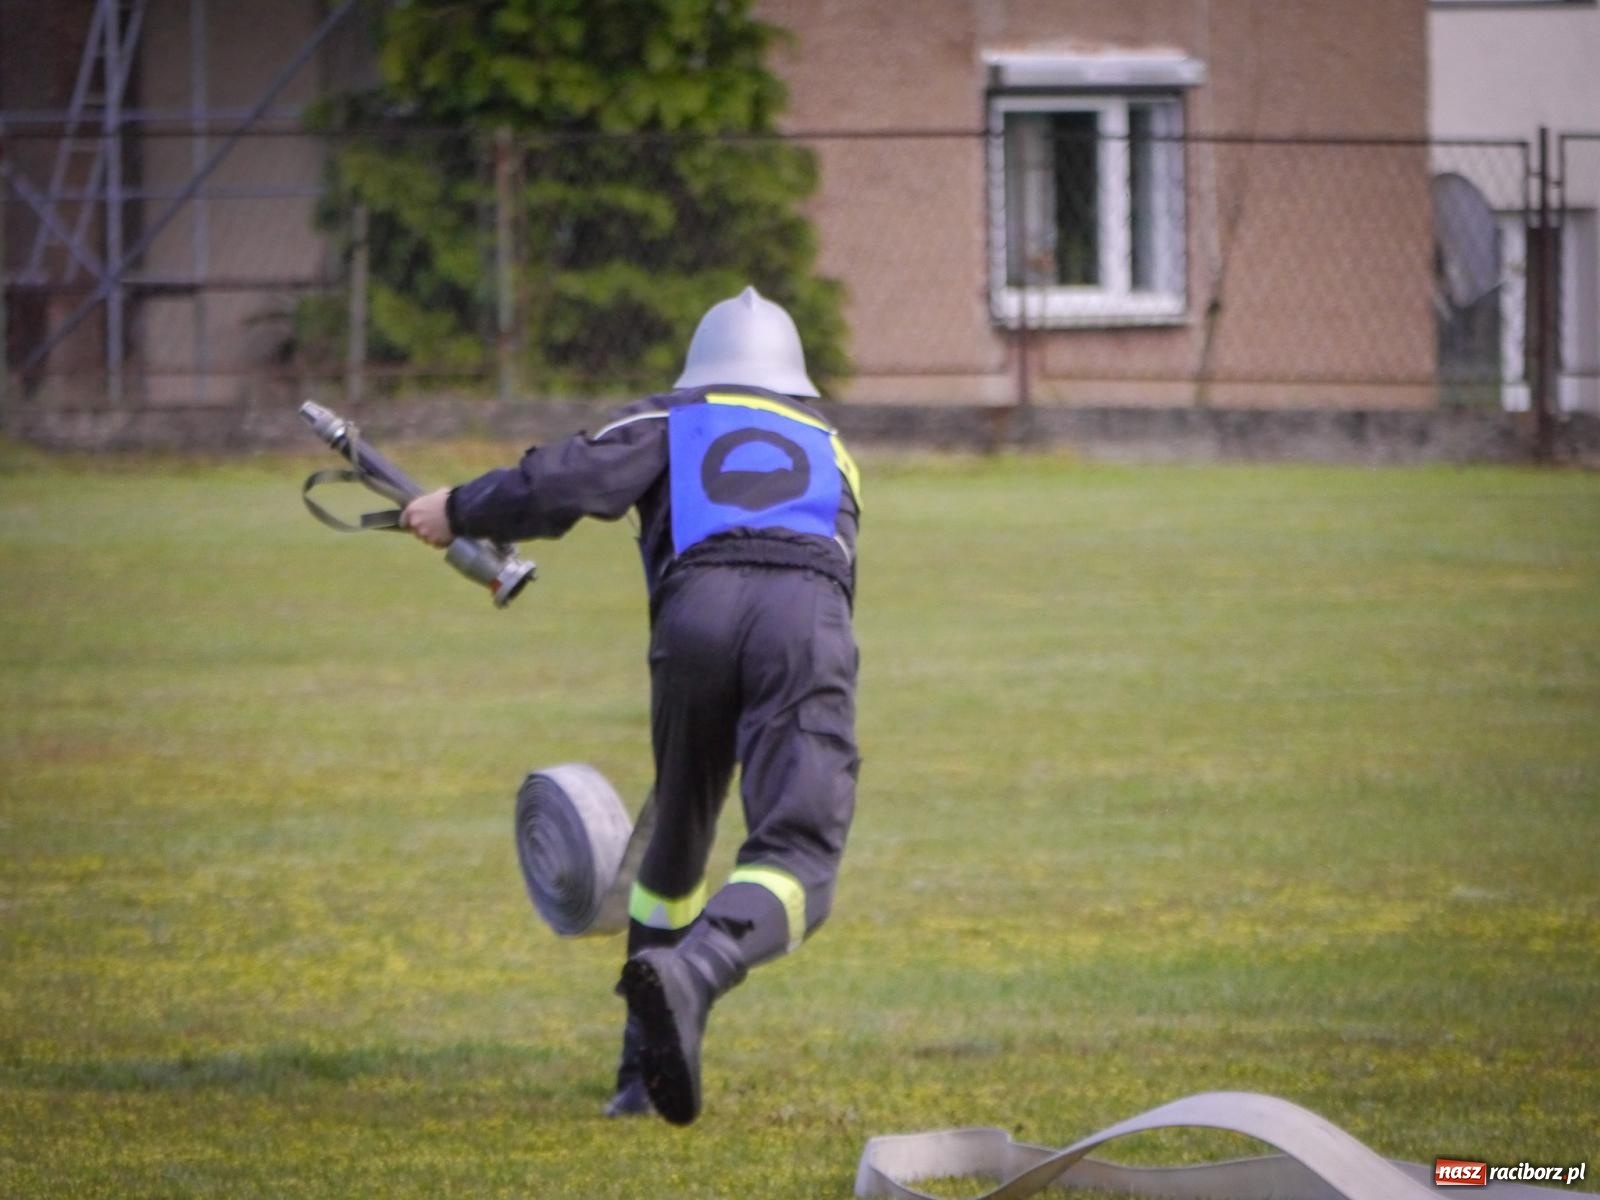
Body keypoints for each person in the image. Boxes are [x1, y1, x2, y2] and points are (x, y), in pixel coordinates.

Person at [400, 287, 862, 1126]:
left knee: (676, 835)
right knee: (799, 857)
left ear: (703, 369)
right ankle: (698, 971)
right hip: (805, 618)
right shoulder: (830, 444)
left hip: (695, 615)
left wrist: (458, 507)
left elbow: (569, 478)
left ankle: (640, 1077)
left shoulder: (673, 417)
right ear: (792, 381)